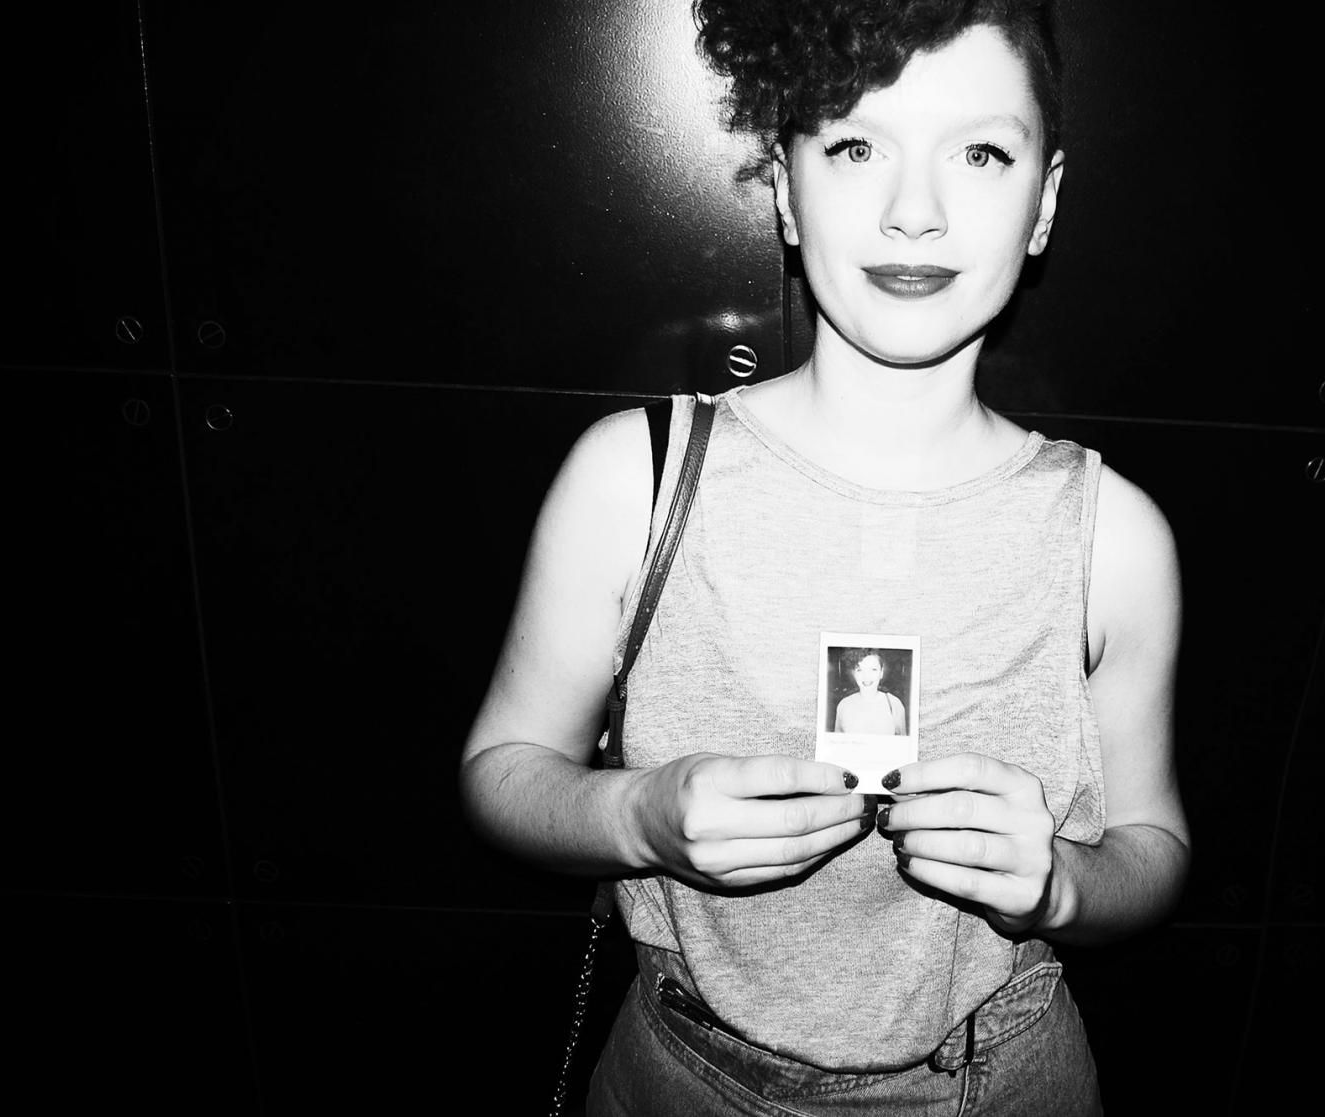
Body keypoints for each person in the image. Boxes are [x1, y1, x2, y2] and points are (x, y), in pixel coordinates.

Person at [459, 2, 1189, 1113]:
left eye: (980, 154)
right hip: (682, 1078)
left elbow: (1155, 846)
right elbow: (502, 770)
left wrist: (1062, 885)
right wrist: (638, 816)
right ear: (784, 189)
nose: (914, 211)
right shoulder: (635, 479)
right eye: (855, 146)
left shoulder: (1112, 535)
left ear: (1044, 203)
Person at [833, 648, 908, 735]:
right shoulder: (844, 705)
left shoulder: (894, 704)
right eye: (860, 670)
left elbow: (903, 741)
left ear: (881, 673)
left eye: (873, 669)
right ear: (854, 674)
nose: (866, 676)